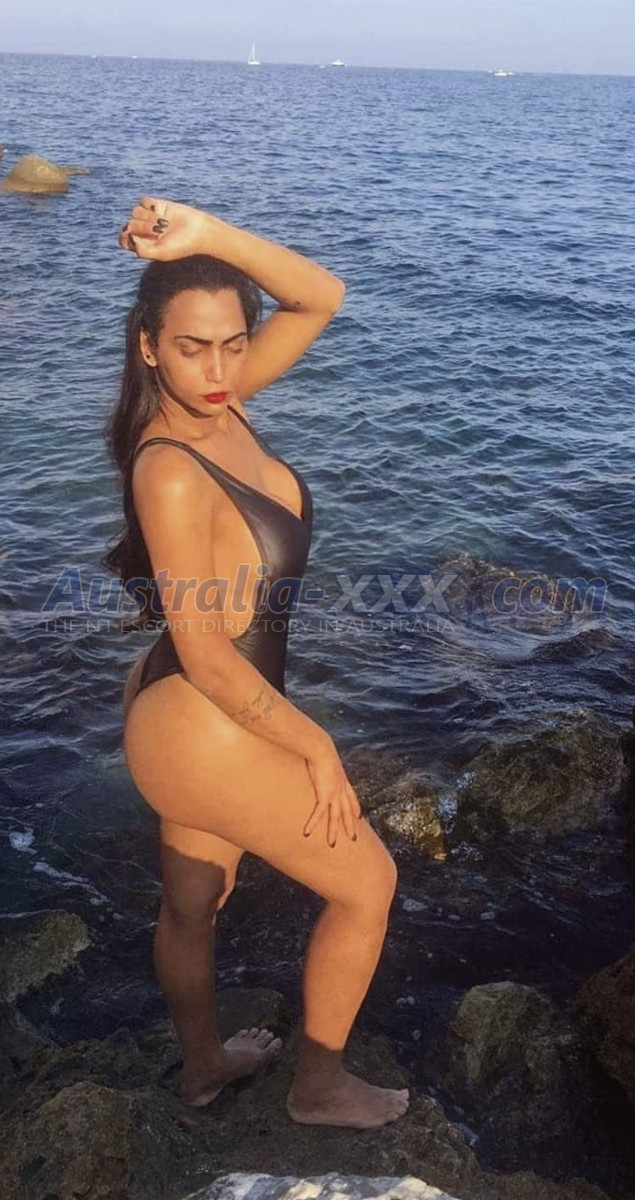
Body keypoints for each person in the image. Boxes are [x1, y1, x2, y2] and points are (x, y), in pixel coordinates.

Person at [104, 196, 410, 1129]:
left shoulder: (224, 403)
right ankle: (318, 1086)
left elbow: (319, 296)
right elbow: (205, 648)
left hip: (193, 708)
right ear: (149, 347)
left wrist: (207, 236)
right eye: (192, 347)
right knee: (367, 886)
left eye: (233, 343)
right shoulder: (169, 467)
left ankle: (202, 1069)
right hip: (201, 710)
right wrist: (315, 745)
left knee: (195, 899)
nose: (216, 368)